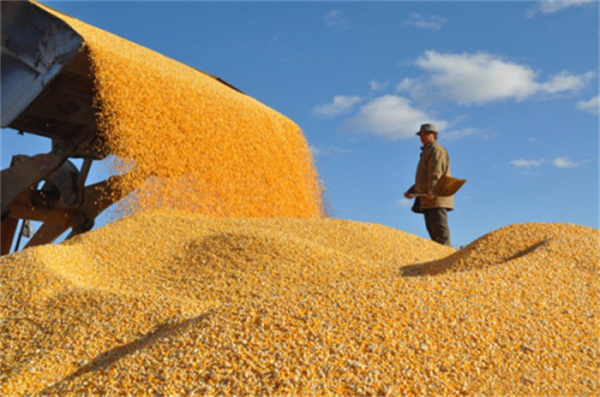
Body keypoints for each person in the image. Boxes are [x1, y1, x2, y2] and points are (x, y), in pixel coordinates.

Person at [404, 123, 453, 246]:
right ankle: (439, 261)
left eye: (426, 134)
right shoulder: (426, 151)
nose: (423, 136)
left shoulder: (436, 150)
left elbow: (436, 173)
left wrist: (432, 190)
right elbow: (423, 178)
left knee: (440, 234)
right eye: (421, 134)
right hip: (427, 198)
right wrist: (412, 191)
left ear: (434, 135)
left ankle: (446, 259)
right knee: (433, 233)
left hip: (436, 197)